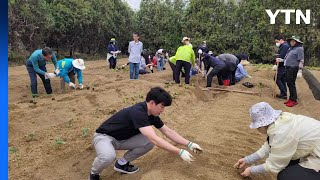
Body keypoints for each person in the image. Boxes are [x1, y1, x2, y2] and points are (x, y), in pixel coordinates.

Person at [89, 87, 203, 180]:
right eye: (162, 106)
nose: (163, 110)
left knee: (148, 142)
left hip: (123, 140)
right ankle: (94, 174)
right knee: (108, 156)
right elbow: (154, 138)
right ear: (152, 103)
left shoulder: (152, 115)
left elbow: (168, 131)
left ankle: (122, 163)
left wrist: (189, 144)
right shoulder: (138, 112)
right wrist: (180, 152)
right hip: (104, 137)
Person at [234, 102, 320, 180]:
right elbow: (269, 146)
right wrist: (247, 160)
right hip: (314, 149)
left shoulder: (281, 132)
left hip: (317, 156)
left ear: (261, 125)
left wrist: (251, 170)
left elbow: (274, 165)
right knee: (287, 164)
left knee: (285, 176)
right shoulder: (280, 121)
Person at [282, 35, 304, 107]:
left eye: (293, 41)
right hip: (288, 67)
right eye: (291, 41)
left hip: (293, 68)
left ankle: (294, 100)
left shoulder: (299, 49)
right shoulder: (291, 49)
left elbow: (301, 60)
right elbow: (287, 58)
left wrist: (300, 70)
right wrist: (281, 60)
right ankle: (291, 99)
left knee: (291, 84)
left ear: (297, 42)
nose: (292, 42)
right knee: (289, 83)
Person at [273, 35, 290, 99]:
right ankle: (284, 93)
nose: (276, 43)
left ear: (281, 40)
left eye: (277, 41)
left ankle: (283, 93)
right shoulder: (283, 46)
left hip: (283, 65)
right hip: (283, 65)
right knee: (282, 79)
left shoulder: (285, 46)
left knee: (276, 78)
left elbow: (282, 56)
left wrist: (278, 58)